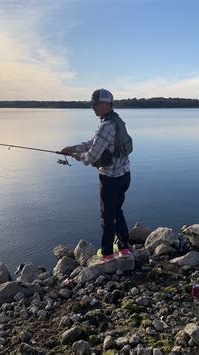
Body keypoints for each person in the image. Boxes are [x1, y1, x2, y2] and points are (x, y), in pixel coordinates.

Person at [61, 89, 132, 262]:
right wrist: (73, 148)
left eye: (95, 104)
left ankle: (107, 252)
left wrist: (77, 157)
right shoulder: (115, 121)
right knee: (117, 211)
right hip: (124, 175)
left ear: (106, 104)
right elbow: (93, 143)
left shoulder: (106, 126)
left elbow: (92, 156)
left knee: (107, 215)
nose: (93, 107)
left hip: (110, 179)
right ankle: (124, 249)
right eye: (92, 104)